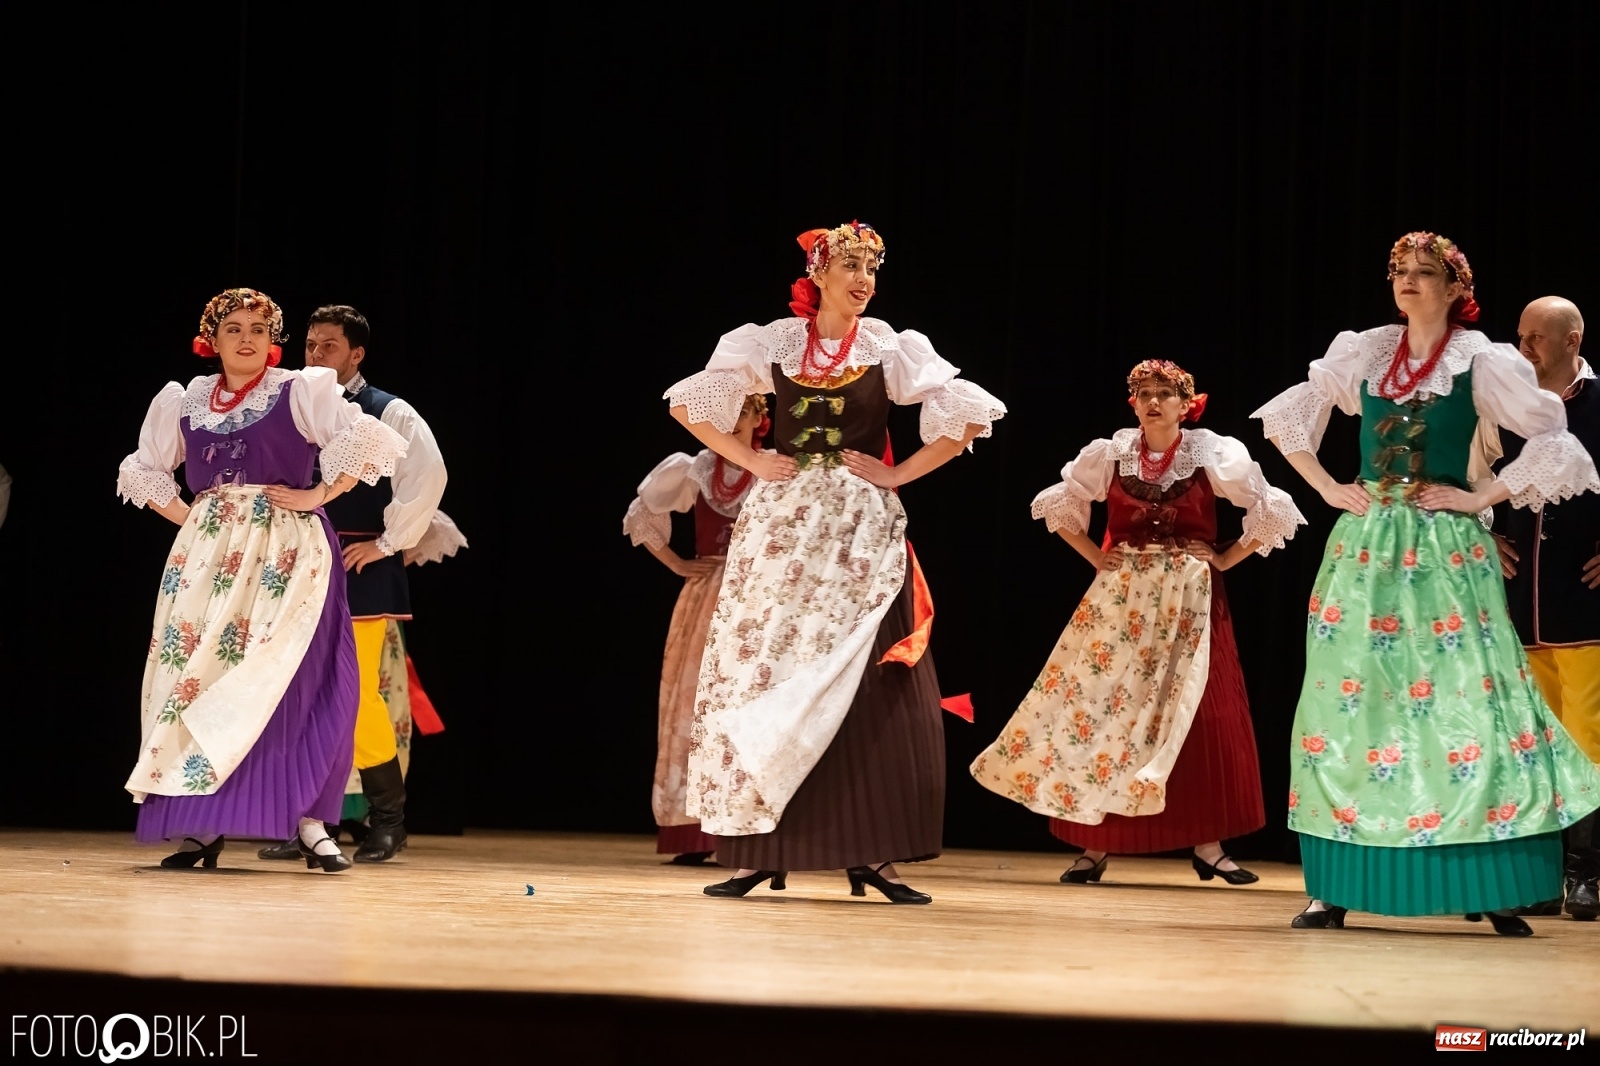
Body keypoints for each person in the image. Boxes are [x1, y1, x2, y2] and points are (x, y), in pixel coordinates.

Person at [1251, 233, 1600, 935]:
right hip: (1369, 545)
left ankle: (1494, 878)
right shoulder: (1367, 351)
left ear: (1453, 288)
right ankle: (1335, 881)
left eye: (1423, 273)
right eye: (1398, 271)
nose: (1407, 282)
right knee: (1351, 705)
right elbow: (1292, 416)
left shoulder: (1483, 359)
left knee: (1467, 701)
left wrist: (1478, 498)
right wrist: (1326, 488)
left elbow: (1553, 433)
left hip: (1446, 549)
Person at [665, 221, 1005, 903]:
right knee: (766, 667)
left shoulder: (886, 345)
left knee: (863, 674)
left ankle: (871, 854)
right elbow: (688, 403)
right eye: (850, 266)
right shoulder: (775, 342)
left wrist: (897, 472)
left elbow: (967, 413)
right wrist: (750, 459)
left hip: (857, 532)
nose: (864, 281)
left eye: (873, 270)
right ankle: (758, 850)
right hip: (782, 529)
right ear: (818, 275)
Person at [973, 361, 1304, 885]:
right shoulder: (1111, 453)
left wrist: (1225, 558)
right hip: (1123, 597)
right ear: (1133, 402)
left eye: (1165, 394)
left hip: (1188, 597)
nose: (1154, 403)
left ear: (1185, 404)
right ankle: (1094, 844)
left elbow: (1271, 509)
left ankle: (1209, 845)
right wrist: (1093, 554)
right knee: (1103, 708)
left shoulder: (1210, 452)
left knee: (1198, 712)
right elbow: (1062, 503)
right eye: (1144, 394)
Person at [116, 288, 407, 871]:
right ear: (212, 340)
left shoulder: (300, 390)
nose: (247, 338)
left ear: (271, 341)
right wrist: (195, 516)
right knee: (201, 678)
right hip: (209, 560)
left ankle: (308, 822)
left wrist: (320, 494)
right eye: (233, 329)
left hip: (289, 551)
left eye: (258, 328)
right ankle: (204, 823)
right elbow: (145, 469)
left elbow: (365, 440)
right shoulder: (186, 400)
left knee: (290, 682)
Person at [256, 305, 462, 864]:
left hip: (358, 564)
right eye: (311, 345)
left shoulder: (387, 411)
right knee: (296, 694)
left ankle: (388, 819)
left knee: (357, 696)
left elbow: (429, 475)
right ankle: (304, 822)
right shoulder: (291, 404)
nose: (316, 354)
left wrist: (388, 543)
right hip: (298, 562)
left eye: (328, 346)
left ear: (356, 354)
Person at [1476, 296, 1599, 920]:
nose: (1523, 349)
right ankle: (1540, 874)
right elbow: (1475, 476)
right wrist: (1483, 533)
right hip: (1520, 604)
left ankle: (1586, 871)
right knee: (1534, 740)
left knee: (1587, 737)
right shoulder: (1507, 404)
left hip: (1585, 603)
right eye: (1520, 336)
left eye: (1537, 339)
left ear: (1572, 340)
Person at [624, 394, 770, 864]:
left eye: (744, 412)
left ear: (759, 418)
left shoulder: (773, 467)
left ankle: (747, 826)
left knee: (747, 702)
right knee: (693, 704)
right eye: (726, 414)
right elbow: (643, 511)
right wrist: (676, 563)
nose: (734, 422)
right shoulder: (696, 467)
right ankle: (693, 829)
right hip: (707, 595)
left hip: (755, 601)